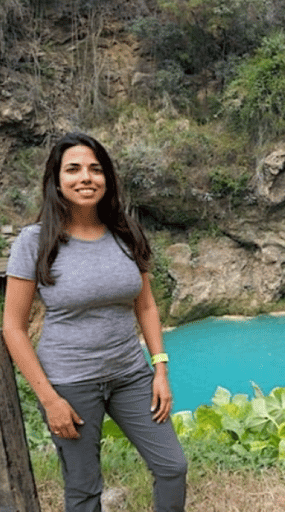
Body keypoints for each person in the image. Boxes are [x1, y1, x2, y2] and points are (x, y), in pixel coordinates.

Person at [2, 132, 187, 512]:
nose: (86, 177)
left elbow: (147, 306)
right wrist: (50, 399)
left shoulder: (126, 233)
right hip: (70, 382)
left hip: (130, 375)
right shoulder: (34, 241)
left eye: (95, 169)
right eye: (73, 169)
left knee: (173, 467)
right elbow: (13, 327)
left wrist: (160, 368)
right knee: (84, 488)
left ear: (107, 179)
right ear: (56, 181)